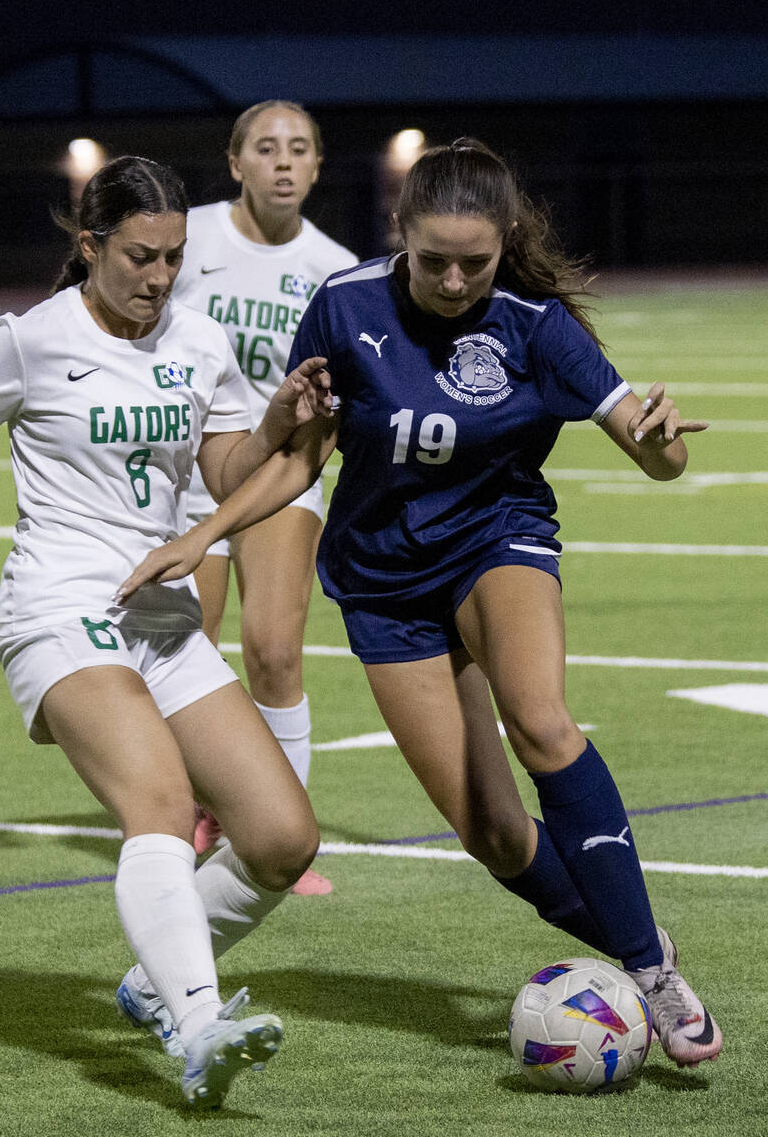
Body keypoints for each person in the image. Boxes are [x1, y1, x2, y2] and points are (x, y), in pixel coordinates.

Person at [115, 138, 723, 1069]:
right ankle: (635, 946)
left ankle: (649, 970)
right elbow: (298, 457)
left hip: (496, 541)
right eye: (431, 258)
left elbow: (655, 451)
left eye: (472, 262)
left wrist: (658, 442)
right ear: (399, 231)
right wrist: (206, 533)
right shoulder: (344, 304)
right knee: (490, 833)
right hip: (383, 581)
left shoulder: (533, 322)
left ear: (506, 241)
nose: (449, 279)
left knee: (542, 722)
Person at [0, 155, 339, 1110]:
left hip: (164, 619)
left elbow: (231, 473)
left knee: (280, 839)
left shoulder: (197, 339)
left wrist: (280, 420)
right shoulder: (30, 339)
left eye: (174, 259)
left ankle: (154, 980)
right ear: (89, 245)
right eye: (139, 257)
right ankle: (196, 1028)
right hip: (59, 610)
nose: (157, 278)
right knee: (155, 804)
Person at [171, 100, 358, 895]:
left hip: (280, 472)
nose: (283, 162)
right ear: (235, 162)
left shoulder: (334, 269)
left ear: (317, 167)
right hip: (184, 472)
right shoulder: (188, 241)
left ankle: (281, 838)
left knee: (275, 650)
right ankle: (190, 813)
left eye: (299, 149)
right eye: (266, 148)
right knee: (185, 651)